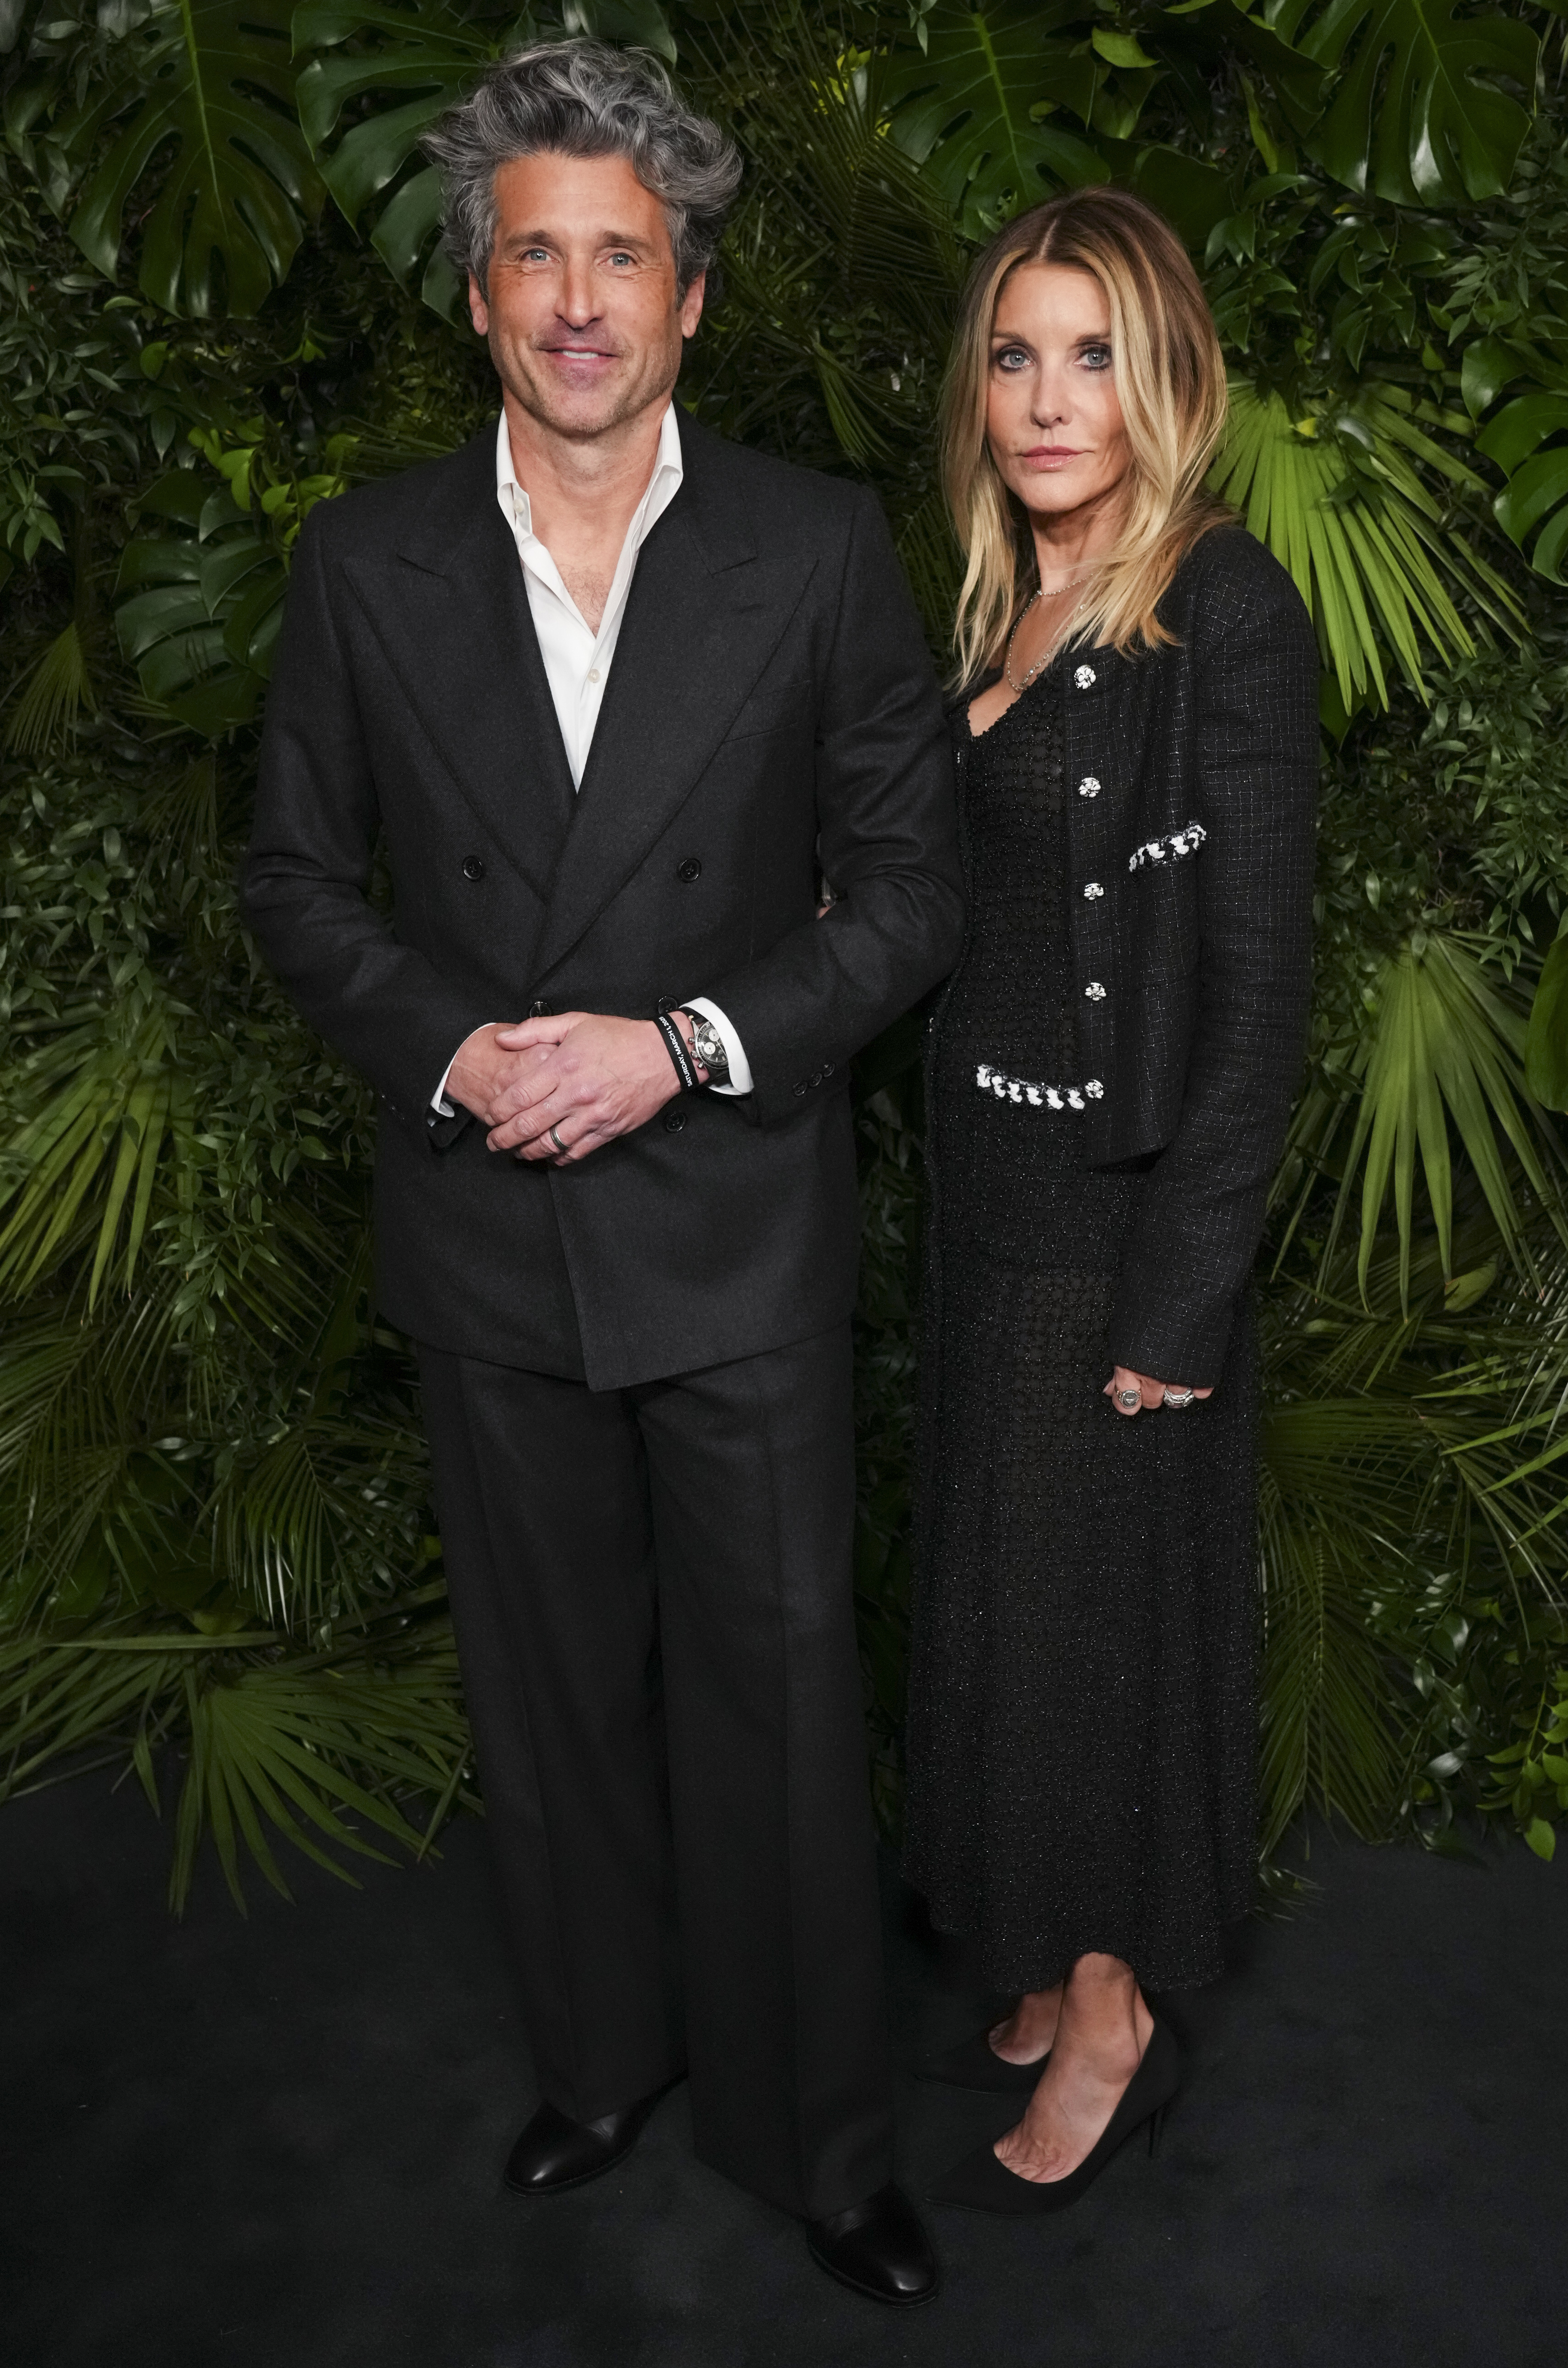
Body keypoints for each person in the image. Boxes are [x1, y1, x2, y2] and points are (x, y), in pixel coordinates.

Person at [243, 40, 963, 2305]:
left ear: (692, 299)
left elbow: (910, 887)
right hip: (488, 1225)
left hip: (731, 1215)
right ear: (477, 295)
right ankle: (602, 2057)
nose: (578, 300)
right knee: (551, 1703)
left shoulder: (815, 544)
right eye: (534, 254)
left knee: (774, 1702)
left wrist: (685, 1044)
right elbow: (289, 877)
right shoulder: (363, 562)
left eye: (620, 258)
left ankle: (819, 2134)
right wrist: (459, 1043)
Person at [902, 186, 1318, 2211]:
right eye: (1013, 353)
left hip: (1116, 1214)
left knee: (1085, 1634)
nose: (1048, 397)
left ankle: (1110, 2006)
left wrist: (1181, 1298)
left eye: (1091, 354)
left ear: (1163, 381)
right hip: (983, 1189)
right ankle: (1028, 1935)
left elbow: (1256, 992)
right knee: (1001, 1600)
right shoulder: (1000, 608)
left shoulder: (1218, 609)